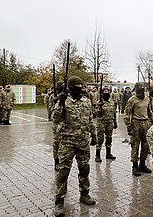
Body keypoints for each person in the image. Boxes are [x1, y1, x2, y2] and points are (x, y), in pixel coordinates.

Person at [52, 76, 97, 217]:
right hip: (67, 143)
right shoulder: (64, 101)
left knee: (85, 169)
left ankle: (84, 194)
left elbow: (90, 119)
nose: (80, 87)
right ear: (71, 87)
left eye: (81, 84)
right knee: (63, 172)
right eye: (77, 85)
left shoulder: (86, 101)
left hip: (83, 142)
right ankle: (59, 201)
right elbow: (55, 118)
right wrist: (60, 102)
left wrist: (93, 134)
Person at [123, 82, 153, 176]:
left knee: (145, 145)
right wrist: (128, 126)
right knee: (135, 145)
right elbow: (127, 113)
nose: (142, 88)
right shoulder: (132, 99)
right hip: (135, 123)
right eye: (140, 87)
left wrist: (152, 123)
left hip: (145, 123)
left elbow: (149, 112)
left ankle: (142, 164)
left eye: (143, 87)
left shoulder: (147, 99)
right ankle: (135, 166)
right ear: (136, 88)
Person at [94, 86, 117, 162]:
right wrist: (99, 107)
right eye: (105, 91)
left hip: (109, 122)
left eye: (107, 91)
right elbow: (96, 114)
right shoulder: (99, 102)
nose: (106, 93)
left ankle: (108, 153)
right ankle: (97, 155)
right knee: (100, 139)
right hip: (101, 123)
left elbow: (114, 112)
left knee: (109, 138)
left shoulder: (111, 102)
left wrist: (115, 121)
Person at [49, 81, 64, 171]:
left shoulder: (67, 96)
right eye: (61, 86)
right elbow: (50, 109)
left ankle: (63, 160)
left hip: (65, 122)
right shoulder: (52, 96)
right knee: (57, 143)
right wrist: (57, 101)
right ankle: (56, 161)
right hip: (57, 123)